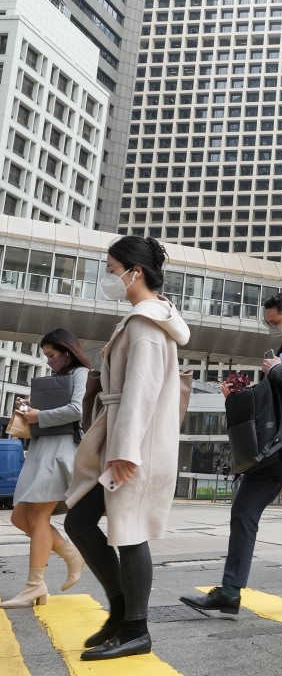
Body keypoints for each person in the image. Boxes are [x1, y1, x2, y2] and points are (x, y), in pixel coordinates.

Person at [62, 237, 190, 660]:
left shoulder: (145, 324)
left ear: (136, 272)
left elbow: (140, 393)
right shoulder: (147, 318)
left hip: (135, 445)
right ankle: (121, 613)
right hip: (124, 438)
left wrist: (125, 451)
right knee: (81, 521)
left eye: (112, 270)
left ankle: (136, 629)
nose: (108, 278)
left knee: (130, 531)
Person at [181, 293, 282, 617]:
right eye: (268, 323)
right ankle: (230, 592)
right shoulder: (281, 351)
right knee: (243, 511)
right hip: (271, 448)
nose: (272, 328)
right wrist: (238, 395)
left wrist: (278, 370)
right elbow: (271, 398)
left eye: (275, 322)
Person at [1, 330, 90, 609]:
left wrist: (40, 415)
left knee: (38, 517)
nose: (48, 361)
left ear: (67, 352)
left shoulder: (81, 373)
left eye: (51, 355)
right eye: (46, 356)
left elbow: (77, 410)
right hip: (42, 449)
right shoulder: (55, 378)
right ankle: (72, 554)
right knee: (19, 517)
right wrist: (29, 408)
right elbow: (50, 411)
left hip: (60, 450)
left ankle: (34, 585)